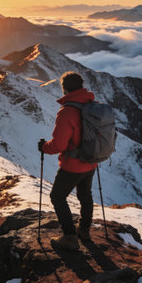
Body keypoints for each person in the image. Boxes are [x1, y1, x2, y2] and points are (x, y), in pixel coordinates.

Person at [38, 71, 97, 251]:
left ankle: (70, 238)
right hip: (91, 160)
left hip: (73, 165)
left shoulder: (67, 112)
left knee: (57, 196)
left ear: (64, 88)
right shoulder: (91, 105)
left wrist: (43, 147)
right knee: (85, 195)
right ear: (81, 86)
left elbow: (58, 145)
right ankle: (84, 231)